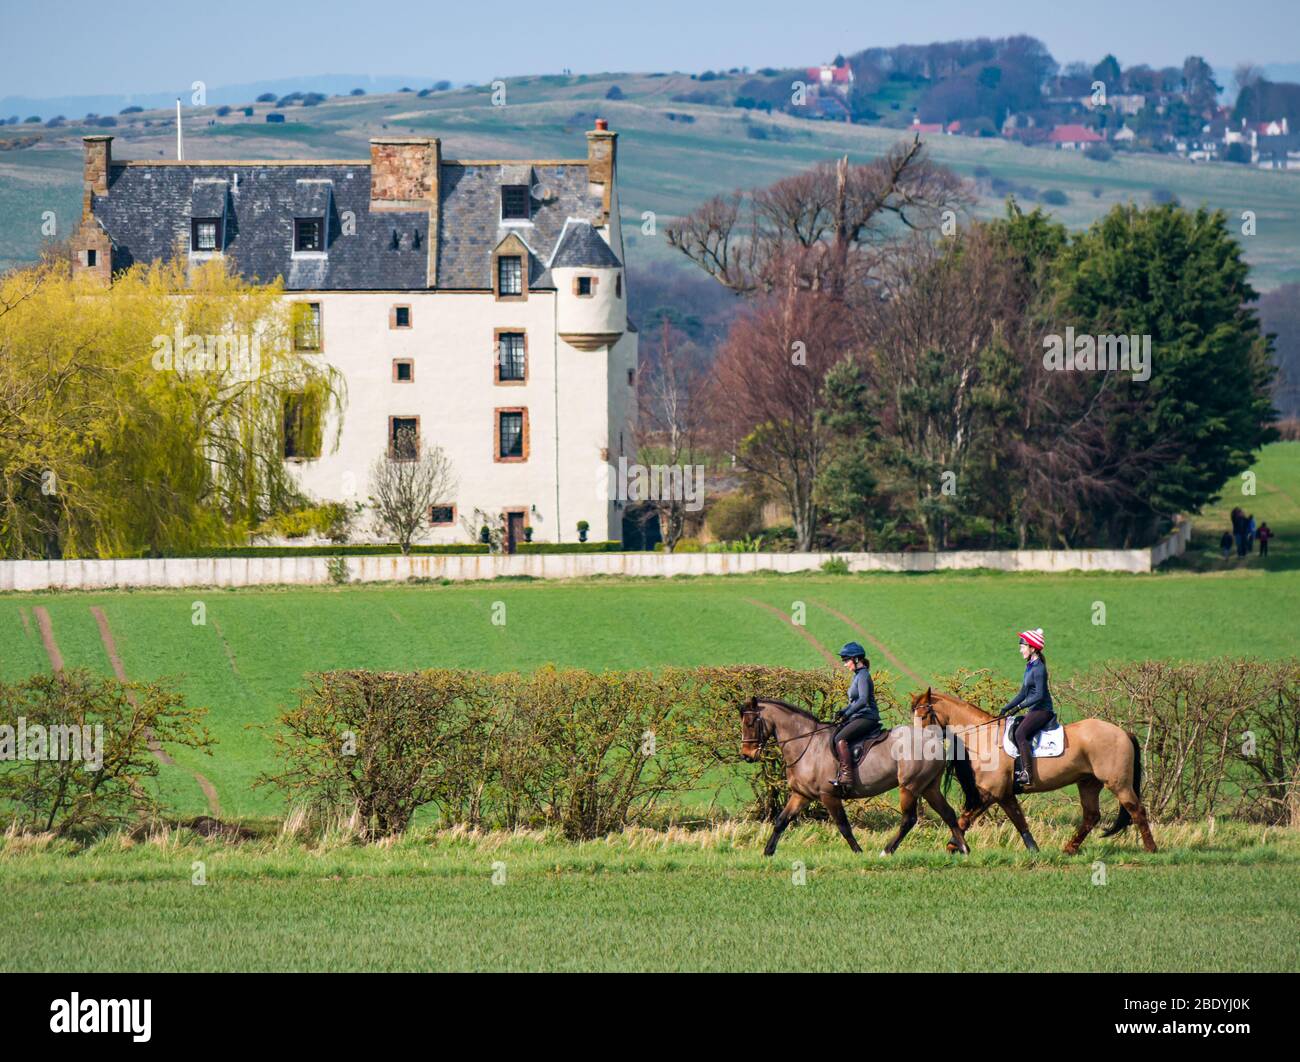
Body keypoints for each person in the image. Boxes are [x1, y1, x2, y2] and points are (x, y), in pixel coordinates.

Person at [998, 628, 1055, 787]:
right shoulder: (1029, 666)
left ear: (1033, 648)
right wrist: (1006, 708)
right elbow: (1023, 693)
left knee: (1020, 733)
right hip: (1034, 710)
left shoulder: (1039, 669)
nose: (1020, 649)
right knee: (1014, 727)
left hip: (1043, 711)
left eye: (1023, 646)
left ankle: (1028, 773)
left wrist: (1018, 708)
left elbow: (1039, 696)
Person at [830, 641, 883, 790]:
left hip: (867, 717)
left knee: (840, 738)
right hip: (859, 715)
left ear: (856, 659)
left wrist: (847, 713)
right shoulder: (857, 675)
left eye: (846, 660)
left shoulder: (863, 675)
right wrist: (843, 711)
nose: (845, 664)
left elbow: (863, 700)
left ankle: (847, 776)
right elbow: (854, 701)